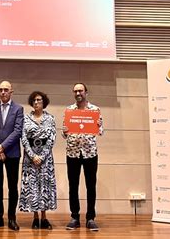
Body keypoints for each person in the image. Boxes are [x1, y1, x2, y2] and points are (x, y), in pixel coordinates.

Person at [62, 83, 104, 231]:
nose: (78, 93)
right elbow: (64, 133)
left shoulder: (95, 110)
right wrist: (65, 131)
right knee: (73, 186)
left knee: (90, 186)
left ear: (86, 92)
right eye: (75, 91)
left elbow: (101, 131)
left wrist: (99, 126)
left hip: (90, 153)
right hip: (72, 152)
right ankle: (74, 217)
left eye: (80, 90)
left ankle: (90, 218)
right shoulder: (69, 110)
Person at [0, 81, 24, 231]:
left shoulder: (18, 109)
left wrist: (2, 147)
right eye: (0, 90)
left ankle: (12, 218)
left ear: (11, 92)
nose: (3, 92)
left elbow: (18, 131)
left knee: (12, 187)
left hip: (12, 153)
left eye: (6, 90)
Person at [19, 91, 57, 230]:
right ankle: (35, 218)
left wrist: (42, 156)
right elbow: (23, 138)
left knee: (44, 187)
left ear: (44, 102)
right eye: (34, 100)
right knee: (32, 187)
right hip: (30, 159)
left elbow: (52, 138)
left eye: (39, 100)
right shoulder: (26, 118)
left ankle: (44, 217)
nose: (36, 102)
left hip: (45, 160)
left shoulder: (50, 119)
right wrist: (32, 155)